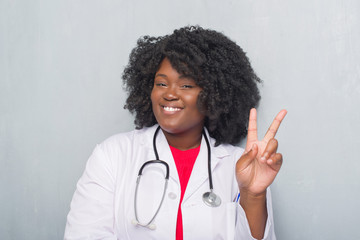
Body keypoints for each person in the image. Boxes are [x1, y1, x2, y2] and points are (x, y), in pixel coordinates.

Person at [64, 26, 287, 240]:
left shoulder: (242, 165)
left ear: (213, 95)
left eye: (186, 86)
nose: (169, 94)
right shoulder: (113, 155)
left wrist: (253, 196)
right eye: (161, 83)